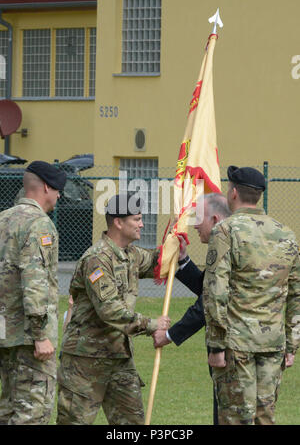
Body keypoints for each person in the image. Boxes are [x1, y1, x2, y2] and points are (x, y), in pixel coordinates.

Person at [56, 193, 171, 425]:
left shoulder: (132, 255)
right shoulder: (97, 259)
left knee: (132, 424)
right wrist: (151, 325)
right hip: (85, 361)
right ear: (118, 222)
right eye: (136, 219)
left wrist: (176, 245)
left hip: (119, 358)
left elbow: (159, 263)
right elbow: (109, 309)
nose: (142, 224)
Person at [203, 165, 300, 425]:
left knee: (236, 418)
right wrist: (291, 345)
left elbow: (215, 291)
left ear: (233, 193)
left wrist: (215, 344)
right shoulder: (287, 235)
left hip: (236, 345)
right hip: (273, 344)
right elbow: (296, 295)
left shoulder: (225, 231)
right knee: (264, 418)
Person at [152, 193, 231, 425]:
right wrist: (184, 260)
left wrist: (169, 335)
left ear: (215, 219)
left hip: (234, 350)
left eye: (199, 217)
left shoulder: (228, 247)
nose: (195, 224)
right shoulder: (224, 243)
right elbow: (206, 288)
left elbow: (206, 303)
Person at [0, 161, 67, 425]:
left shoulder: (3, 219)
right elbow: (35, 279)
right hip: (30, 340)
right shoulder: (40, 225)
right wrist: (40, 335)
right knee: (33, 413)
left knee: (8, 409)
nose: (59, 196)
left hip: (5, 332)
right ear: (47, 188)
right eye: (58, 189)